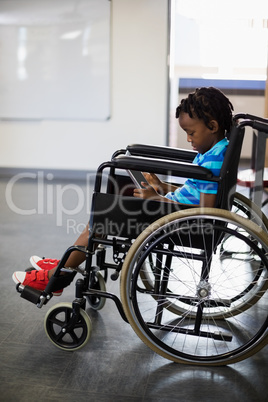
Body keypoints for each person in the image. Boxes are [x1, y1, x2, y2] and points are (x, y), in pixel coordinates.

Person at [12, 86, 234, 294]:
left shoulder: (213, 158)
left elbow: (205, 209)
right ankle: (65, 263)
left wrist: (158, 199)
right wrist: (162, 187)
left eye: (191, 133)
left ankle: (56, 275)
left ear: (212, 127)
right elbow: (195, 191)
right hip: (174, 212)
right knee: (110, 207)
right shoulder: (215, 151)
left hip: (180, 222)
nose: (188, 139)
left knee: (102, 218)